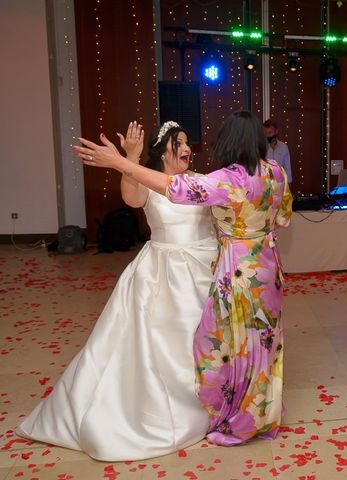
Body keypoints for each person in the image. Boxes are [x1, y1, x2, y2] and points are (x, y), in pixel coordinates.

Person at [75, 110, 292, 447]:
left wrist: (120, 162)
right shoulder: (276, 172)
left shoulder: (228, 178)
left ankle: (242, 419)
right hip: (267, 262)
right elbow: (283, 216)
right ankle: (264, 413)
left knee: (237, 343)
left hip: (238, 267)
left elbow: (177, 190)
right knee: (265, 342)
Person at [17, 121, 219, 461]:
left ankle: (213, 399)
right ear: (162, 151)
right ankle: (164, 408)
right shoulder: (147, 181)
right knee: (164, 341)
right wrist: (130, 159)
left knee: (205, 339)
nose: (186, 148)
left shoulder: (200, 181)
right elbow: (131, 196)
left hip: (204, 266)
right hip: (164, 272)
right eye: (177, 143)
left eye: (187, 143)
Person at [263, 118, 292, 186]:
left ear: (276, 132)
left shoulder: (284, 147)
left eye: (270, 133)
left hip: (280, 184)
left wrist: (289, 183)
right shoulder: (260, 147)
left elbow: (287, 167)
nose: (267, 136)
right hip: (265, 185)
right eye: (265, 133)